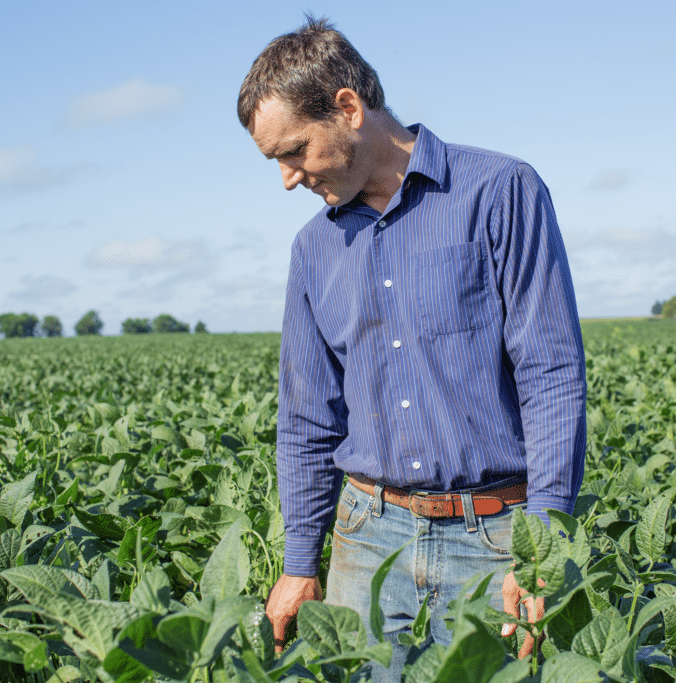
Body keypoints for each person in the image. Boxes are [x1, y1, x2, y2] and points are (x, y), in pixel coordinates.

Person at [237, 16, 586, 679]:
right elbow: (307, 417)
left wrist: (542, 552)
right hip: (367, 533)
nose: (286, 178)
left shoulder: (500, 192)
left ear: (348, 108)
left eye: (294, 150)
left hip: (497, 536)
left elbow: (551, 374)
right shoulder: (313, 249)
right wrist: (299, 562)